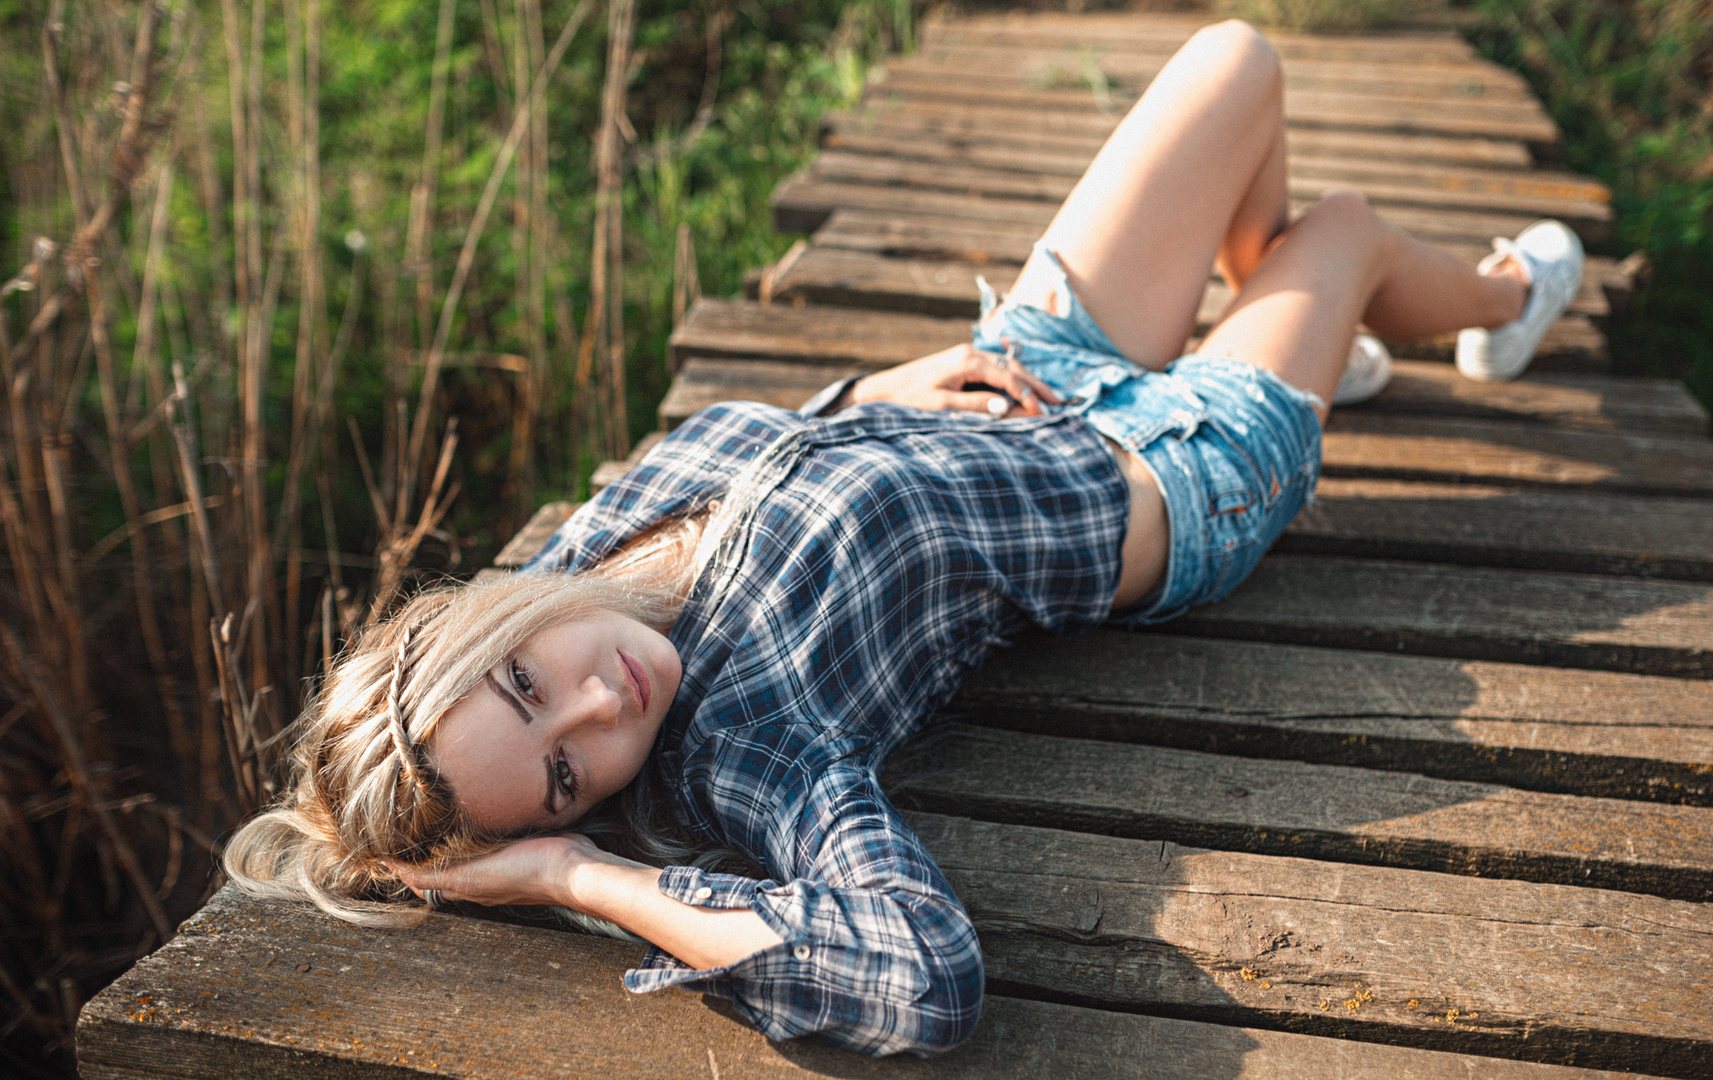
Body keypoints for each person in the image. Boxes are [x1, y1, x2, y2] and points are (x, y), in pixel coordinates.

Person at [223, 20, 1583, 1058]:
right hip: (1172, 471)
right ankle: (1493, 299)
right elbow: (914, 976)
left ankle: (1289, 317)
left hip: (1027, 373)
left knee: (1235, 62)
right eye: (571, 773)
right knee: (1338, 225)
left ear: (482, 617)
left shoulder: (585, 547)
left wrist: (862, 393)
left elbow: (739, 447)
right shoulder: (745, 750)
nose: (600, 702)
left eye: (528, 683)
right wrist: (579, 874)